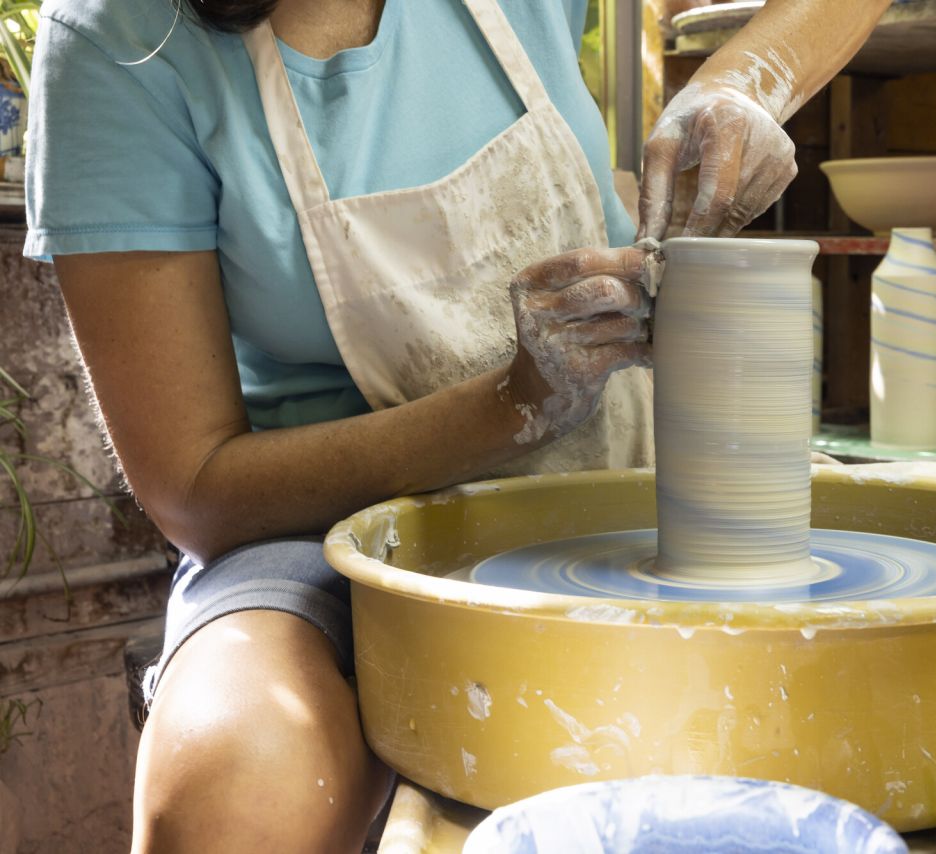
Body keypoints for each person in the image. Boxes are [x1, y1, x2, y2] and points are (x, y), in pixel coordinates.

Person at [25, 0, 888, 849]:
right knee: (228, 802)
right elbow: (197, 488)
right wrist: (515, 402)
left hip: (635, 478)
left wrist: (743, 80)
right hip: (328, 535)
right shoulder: (125, 40)